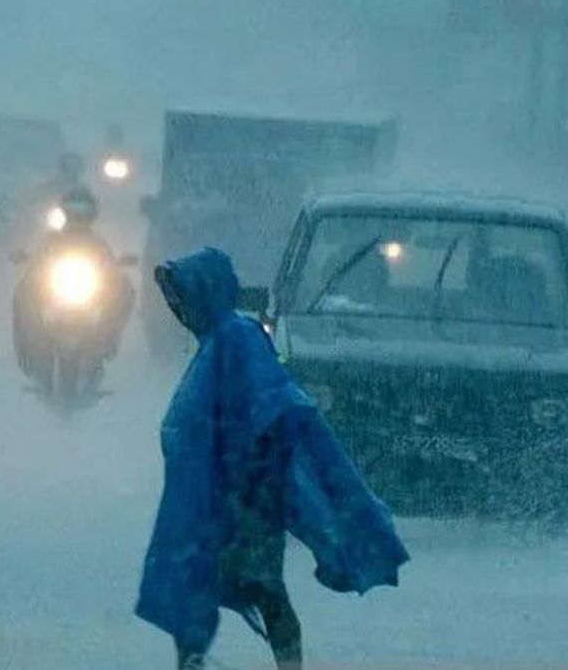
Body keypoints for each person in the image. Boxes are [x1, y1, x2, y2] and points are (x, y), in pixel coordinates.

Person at [136, 248, 409, 669]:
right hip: (210, 495)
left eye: (182, 297)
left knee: (263, 589)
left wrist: (250, 481)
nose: (178, 309)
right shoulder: (214, 343)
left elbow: (270, 407)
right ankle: (194, 661)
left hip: (245, 495)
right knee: (196, 581)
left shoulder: (237, 338)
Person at [13, 187, 134, 381]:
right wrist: (30, 265)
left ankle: (108, 340)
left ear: (92, 214)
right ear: (64, 212)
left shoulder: (98, 244)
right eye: (73, 211)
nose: (78, 217)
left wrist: (116, 271)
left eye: (83, 212)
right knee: (22, 292)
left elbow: (111, 271)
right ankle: (27, 347)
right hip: (53, 294)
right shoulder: (51, 241)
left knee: (126, 289)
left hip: (89, 295)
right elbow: (35, 267)